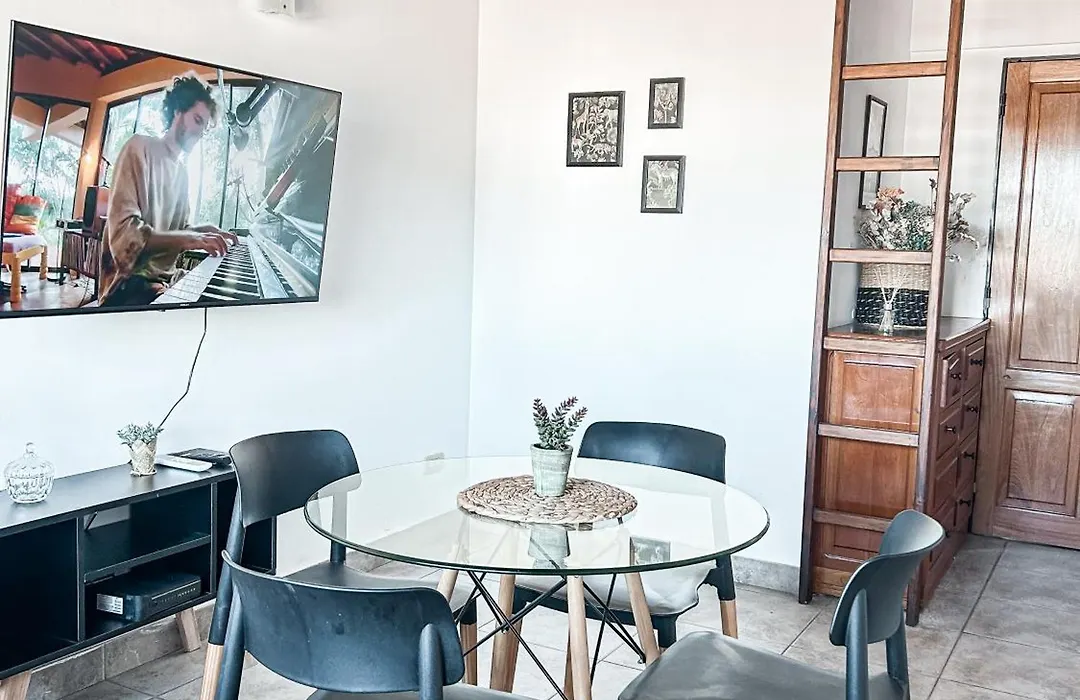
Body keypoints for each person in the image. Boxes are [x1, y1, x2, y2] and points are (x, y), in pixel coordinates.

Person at [98, 73, 238, 307]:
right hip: (127, 288)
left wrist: (205, 230)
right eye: (197, 120)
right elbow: (126, 238)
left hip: (163, 284)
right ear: (177, 111)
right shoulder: (139, 148)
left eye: (204, 127)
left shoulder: (182, 174)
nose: (200, 133)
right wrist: (192, 238)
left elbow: (177, 232)